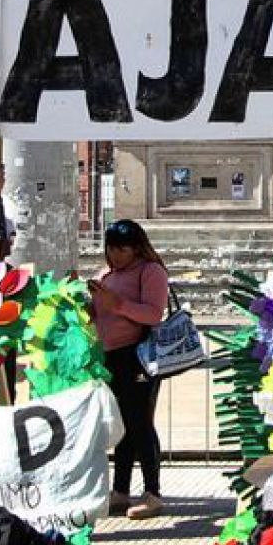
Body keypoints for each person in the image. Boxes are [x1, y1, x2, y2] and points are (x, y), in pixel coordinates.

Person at [90, 219, 171, 520]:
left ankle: (153, 492)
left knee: (140, 423)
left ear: (136, 248)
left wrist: (118, 304)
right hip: (110, 356)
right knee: (121, 425)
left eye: (122, 249)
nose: (115, 255)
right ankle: (120, 490)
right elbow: (102, 311)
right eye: (111, 249)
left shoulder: (151, 272)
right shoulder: (107, 273)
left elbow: (152, 313)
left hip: (138, 356)